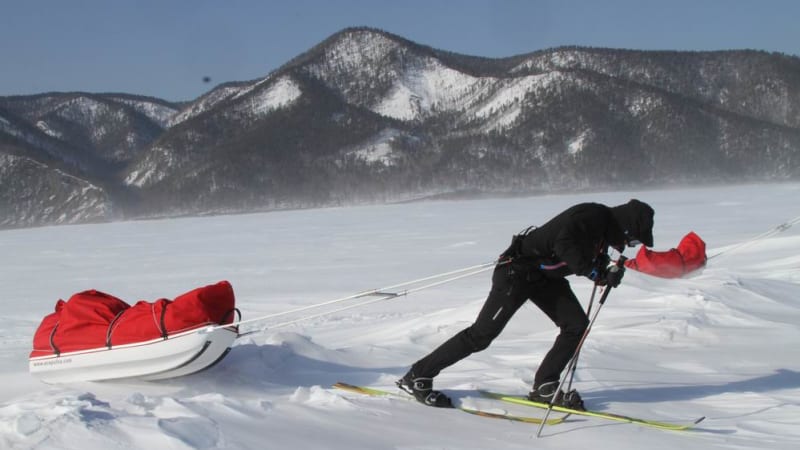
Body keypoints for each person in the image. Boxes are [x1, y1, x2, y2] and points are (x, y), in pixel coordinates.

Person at [397, 199, 655, 409]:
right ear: (626, 228)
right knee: (482, 334)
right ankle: (418, 375)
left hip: (543, 278)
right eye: (634, 240)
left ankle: (545, 386)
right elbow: (564, 245)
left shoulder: (601, 234)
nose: (630, 245)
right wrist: (593, 271)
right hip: (517, 272)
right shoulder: (593, 216)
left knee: (576, 324)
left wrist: (605, 272)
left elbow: (577, 258)